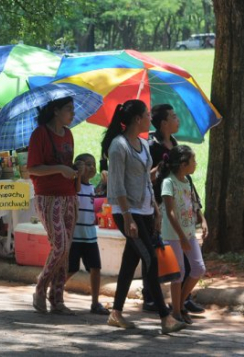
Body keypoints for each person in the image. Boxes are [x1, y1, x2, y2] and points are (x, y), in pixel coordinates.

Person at [101, 99, 186, 334]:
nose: (151, 118)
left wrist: (156, 208)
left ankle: (116, 313)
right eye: (147, 115)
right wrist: (127, 217)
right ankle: (165, 316)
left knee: (130, 262)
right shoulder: (119, 146)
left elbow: (144, 180)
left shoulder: (142, 144)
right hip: (127, 212)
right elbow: (117, 186)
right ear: (137, 119)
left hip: (146, 210)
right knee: (150, 259)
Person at [142, 104, 206, 314]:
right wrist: (158, 169)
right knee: (155, 251)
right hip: (157, 204)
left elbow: (186, 181)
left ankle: (181, 300)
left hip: (182, 211)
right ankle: (151, 296)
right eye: (174, 117)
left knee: (185, 262)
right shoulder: (151, 145)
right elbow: (144, 176)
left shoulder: (174, 143)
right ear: (163, 123)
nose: (178, 120)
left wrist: (199, 213)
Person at [27, 96, 84, 315]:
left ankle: (57, 297)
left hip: (69, 195)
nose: (72, 114)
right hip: (48, 197)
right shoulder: (40, 134)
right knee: (59, 245)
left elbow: (66, 165)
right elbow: (33, 169)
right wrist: (60, 169)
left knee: (65, 249)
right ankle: (41, 286)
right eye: (69, 109)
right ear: (56, 111)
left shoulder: (68, 134)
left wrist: (74, 169)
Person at [154, 145, 207, 325]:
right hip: (173, 235)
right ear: (183, 164)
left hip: (189, 232)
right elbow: (169, 212)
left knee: (198, 268)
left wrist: (203, 220)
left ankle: (180, 303)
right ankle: (176, 312)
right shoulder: (169, 182)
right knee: (179, 273)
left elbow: (193, 202)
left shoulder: (188, 180)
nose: (196, 164)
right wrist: (182, 237)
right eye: (193, 161)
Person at [67, 153, 110, 315]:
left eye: (93, 164)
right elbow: (76, 190)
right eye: (87, 164)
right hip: (76, 235)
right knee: (71, 269)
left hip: (90, 235)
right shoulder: (74, 187)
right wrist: (77, 175)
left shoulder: (92, 187)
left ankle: (95, 302)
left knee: (96, 268)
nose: (92, 167)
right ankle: (54, 292)